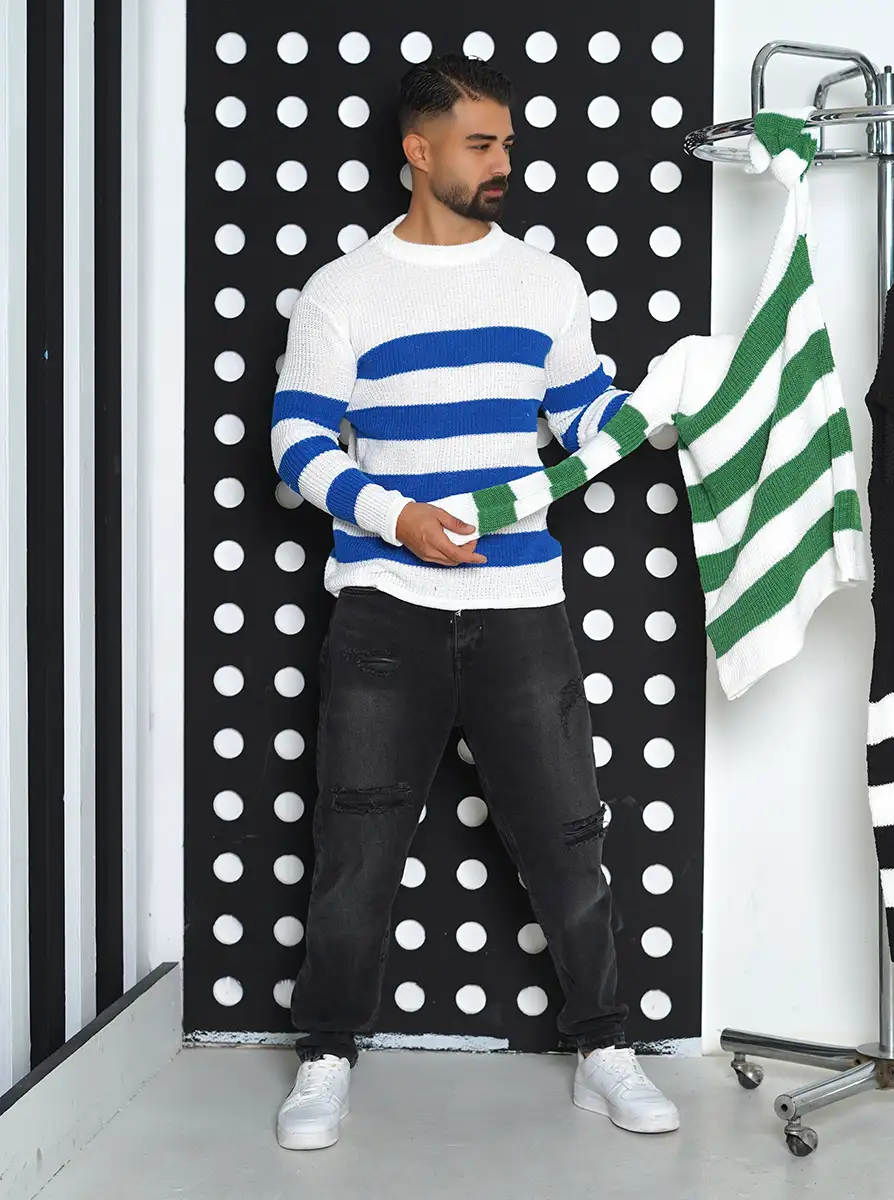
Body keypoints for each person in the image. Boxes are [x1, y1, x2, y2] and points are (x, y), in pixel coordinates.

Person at [268, 53, 680, 1151]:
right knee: (357, 840)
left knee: (568, 835)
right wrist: (394, 515)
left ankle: (604, 1048)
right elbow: (297, 438)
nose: (504, 163)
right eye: (481, 144)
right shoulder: (344, 290)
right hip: (385, 601)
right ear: (420, 150)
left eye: (508, 143)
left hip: (520, 602)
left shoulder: (545, 284)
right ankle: (325, 1055)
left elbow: (585, 419)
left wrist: (671, 406)